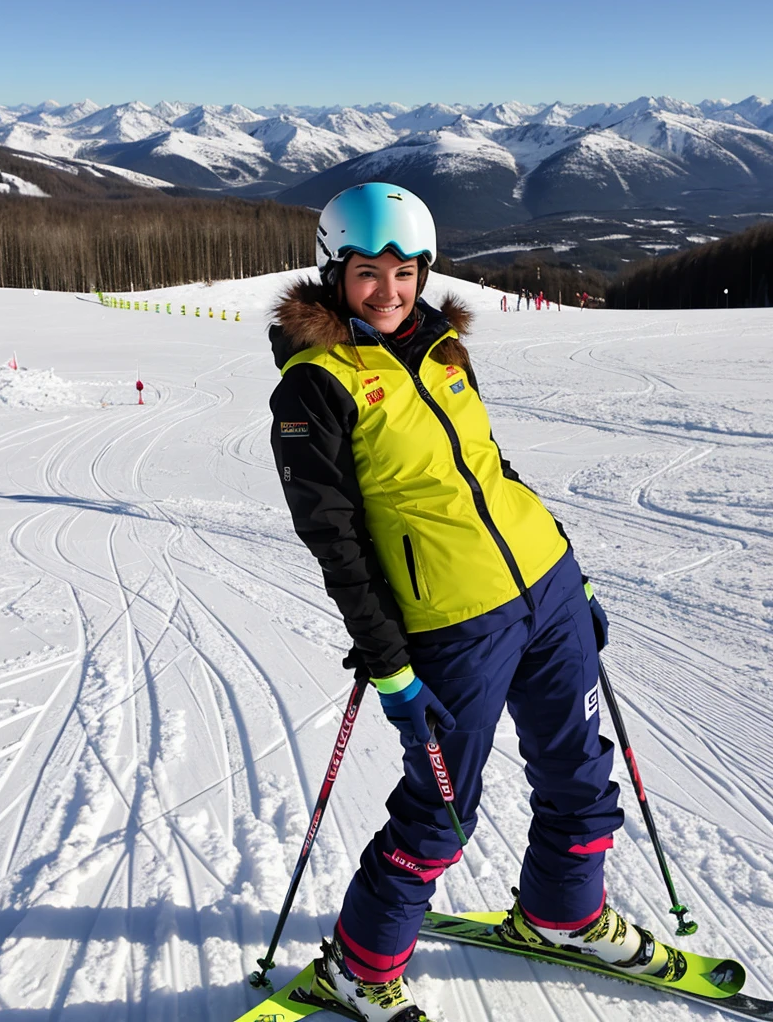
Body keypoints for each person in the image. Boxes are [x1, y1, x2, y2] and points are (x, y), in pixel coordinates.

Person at [268, 183, 664, 1022]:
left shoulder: (445, 346)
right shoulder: (315, 385)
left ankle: (564, 914)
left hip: (545, 589)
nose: (389, 291)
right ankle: (360, 966)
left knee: (578, 769)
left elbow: (489, 467)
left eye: (405, 271)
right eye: (367, 273)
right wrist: (389, 664)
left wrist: (572, 568)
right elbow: (334, 543)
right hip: (450, 623)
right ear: (333, 273)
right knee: (442, 808)